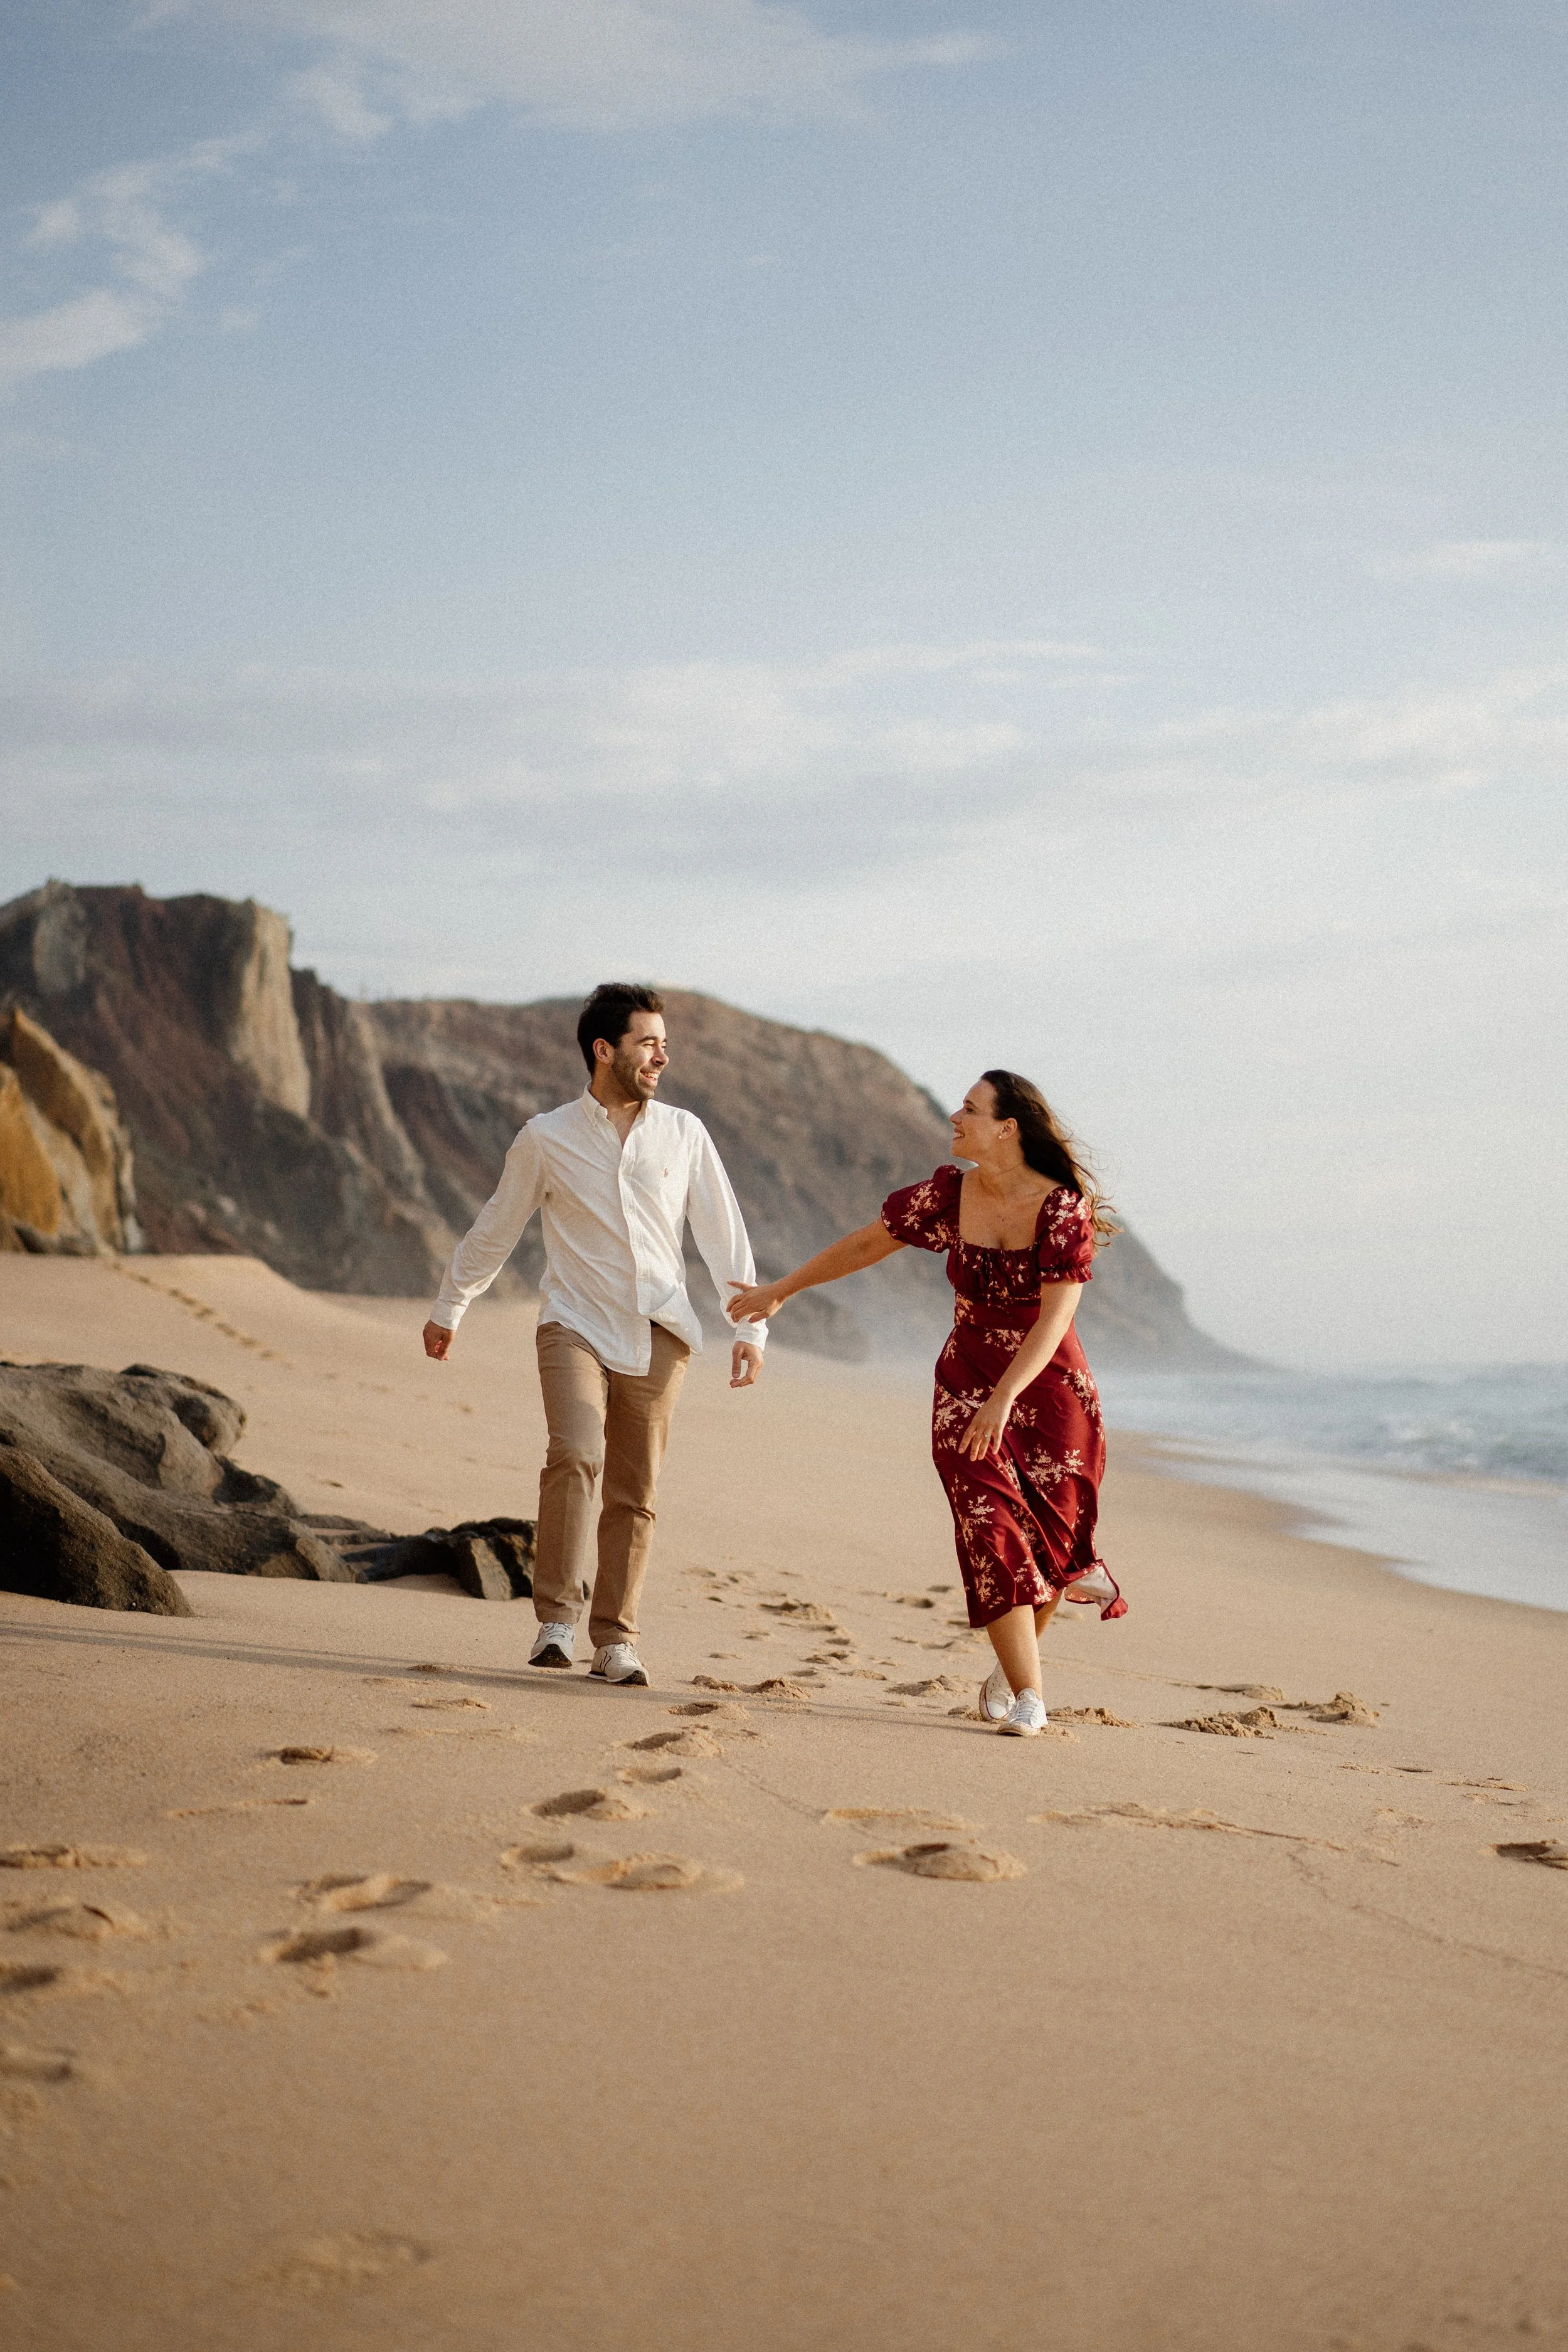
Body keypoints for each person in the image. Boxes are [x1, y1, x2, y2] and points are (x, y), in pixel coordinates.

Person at [726, 1069, 1121, 1737]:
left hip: (1050, 1391)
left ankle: (1008, 1668)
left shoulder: (1061, 1208)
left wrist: (1006, 1398)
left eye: (969, 1109)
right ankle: (1030, 1696)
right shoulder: (948, 1194)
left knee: (1048, 1549)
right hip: (966, 1381)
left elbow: (1055, 1320)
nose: (954, 1117)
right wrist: (782, 1291)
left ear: (1007, 1127)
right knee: (988, 1529)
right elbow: (868, 1242)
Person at [422, 983, 766, 1688]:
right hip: (572, 1322)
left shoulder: (683, 1133)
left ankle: (615, 1639)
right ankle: (556, 1620)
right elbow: (498, 1224)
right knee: (575, 1452)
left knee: (635, 1490)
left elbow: (722, 1235)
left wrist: (748, 1327)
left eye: (664, 1043)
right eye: (648, 1042)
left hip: (660, 1329)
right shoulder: (546, 1137)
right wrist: (451, 1304)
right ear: (603, 1050)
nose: (662, 1056)